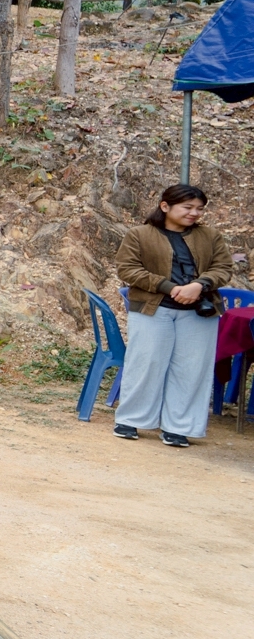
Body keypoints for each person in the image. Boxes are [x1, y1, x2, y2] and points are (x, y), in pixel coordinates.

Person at [113, 185, 230, 447]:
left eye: (199, 209)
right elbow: (128, 269)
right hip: (153, 308)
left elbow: (223, 267)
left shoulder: (210, 236)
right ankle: (130, 419)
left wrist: (199, 285)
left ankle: (179, 427)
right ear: (165, 206)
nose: (194, 213)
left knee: (192, 369)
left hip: (200, 310)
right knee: (146, 363)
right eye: (187, 207)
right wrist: (170, 287)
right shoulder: (139, 234)